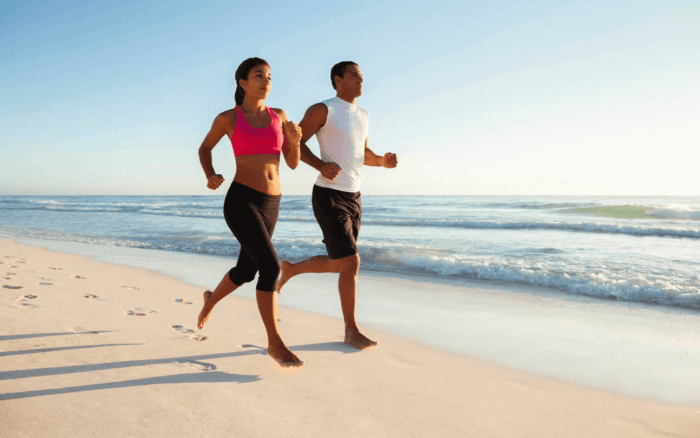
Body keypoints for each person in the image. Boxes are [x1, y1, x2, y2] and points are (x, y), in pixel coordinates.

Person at [276, 61, 398, 349]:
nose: (360, 80)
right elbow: (293, 144)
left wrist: (381, 161)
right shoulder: (323, 109)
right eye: (354, 75)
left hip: (354, 195)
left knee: (340, 263)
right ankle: (351, 330)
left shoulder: (363, 114)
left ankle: (292, 269)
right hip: (329, 194)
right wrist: (320, 165)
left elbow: (362, 152)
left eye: (362, 76)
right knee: (352, 261)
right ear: (337, 79)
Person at [196, 57, 304, 368]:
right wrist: (210, 174)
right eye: (259, 76)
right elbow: (205, 148)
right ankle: (275, 342)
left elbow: (293, 162)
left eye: (269, 76)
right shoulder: (228, 118)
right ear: (243, 82)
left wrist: (294, 142)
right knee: (270, 268)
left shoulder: (279, 116)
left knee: (246, 271)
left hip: (272, 203)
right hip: (241, 199)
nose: (267, 81)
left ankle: (210, 300)